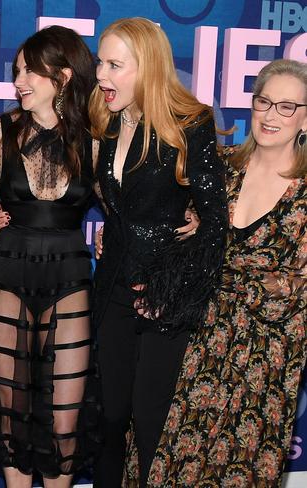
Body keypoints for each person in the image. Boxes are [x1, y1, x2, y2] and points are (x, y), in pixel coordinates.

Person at [132, 59, 307, 487]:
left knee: (234, 469)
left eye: (287, 107)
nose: (270, 115)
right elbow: (172, 231)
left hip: (261, 359)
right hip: (188, 338)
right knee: (160, 454)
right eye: (264, 102)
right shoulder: (221, 167)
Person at [88, 17, 229, 487]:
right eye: (100, 63)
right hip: (111, 289)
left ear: (146, 67)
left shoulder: (192, 124)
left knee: (150, 425)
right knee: (109, 420)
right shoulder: (105, 124)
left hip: (165, 300)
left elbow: (214, 222)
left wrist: (176, 289)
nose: (101, 76)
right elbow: (118, 205)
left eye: (114, 65)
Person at [0, 26, 101, 488]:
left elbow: (128, 207)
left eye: (30, 71)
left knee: (64, 425)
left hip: (70, 277)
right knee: (12, 416)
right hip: (5, 274)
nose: (19, 80)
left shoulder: (95, 140)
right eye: (17, 71)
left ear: (63, 76)